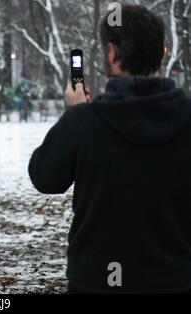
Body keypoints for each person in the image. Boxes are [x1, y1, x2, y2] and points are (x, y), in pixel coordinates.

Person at [29, 5, 191, 294]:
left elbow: (44, 177)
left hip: (97, 282)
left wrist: (73, 115)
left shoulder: (84, 122)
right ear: (163, 52)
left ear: (113, 53)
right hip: (177, 280)